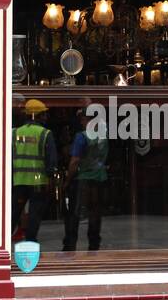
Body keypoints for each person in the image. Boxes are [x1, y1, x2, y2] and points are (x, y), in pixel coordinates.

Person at [12, 98, 57, 243]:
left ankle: (4, 240)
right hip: (38, 182)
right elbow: (51, 160)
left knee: (14, 212)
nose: (45, 117)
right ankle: (30, 241)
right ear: (36, 115)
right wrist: (51, 178)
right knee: (34, 214)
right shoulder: (45, 133)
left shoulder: (15, 133)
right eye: (43, 114)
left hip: (18, 180)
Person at [62, 109, 108, 251]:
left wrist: (67, 180)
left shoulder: (81, 136)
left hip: (83, 179)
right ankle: (94, 244)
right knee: (95, 212)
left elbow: (75, 161)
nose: (81, 122)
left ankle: (70, 245)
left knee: (74, 213)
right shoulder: (103, 137)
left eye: (83, 119)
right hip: (100, 178)